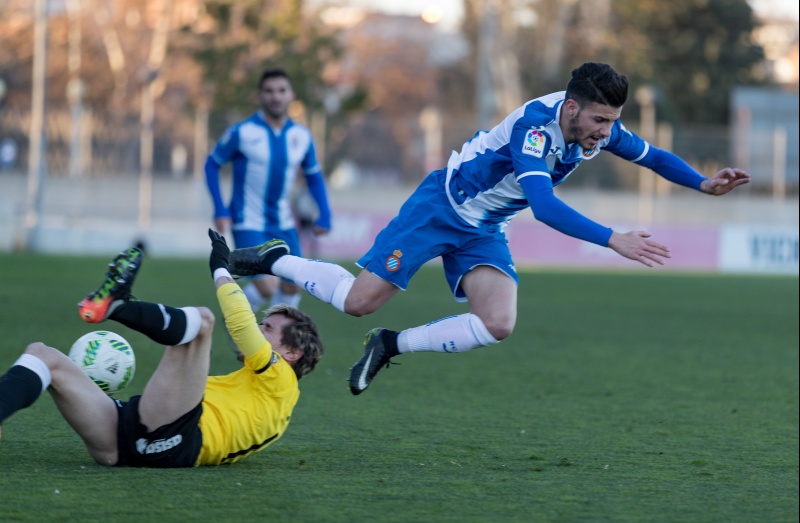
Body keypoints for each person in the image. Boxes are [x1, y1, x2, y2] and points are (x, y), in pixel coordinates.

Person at [227, 62, 751, 396]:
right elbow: (544, 208)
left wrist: (703, 183)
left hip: (484, 225)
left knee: (499, 321)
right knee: (358, 301)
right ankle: (276, 257)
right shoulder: (534, 132)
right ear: (571, 109)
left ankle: (390, 345)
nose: (606, 133)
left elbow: (652, 155)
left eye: (612, 122)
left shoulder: (596, 125)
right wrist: (613, 238)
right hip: (441, 208)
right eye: (599, 121)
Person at [0, 230, 324, 467]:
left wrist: (221, 270)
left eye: (268, 328)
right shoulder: (259, 391)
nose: (259, 330)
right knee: (43, 355)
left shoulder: (282, 383)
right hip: (123, 442)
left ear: (292, 353)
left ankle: (118, 306)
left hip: (177, 436)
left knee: (203, 323)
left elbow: (240, 325)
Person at [204, 67, 332, 314]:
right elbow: (212, 165)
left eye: (281, 90)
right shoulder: (242, 132)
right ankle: (238, 329)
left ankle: (273, 343)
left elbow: (314, 176)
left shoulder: (301, 136)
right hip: (247, 221)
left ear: (291, 95)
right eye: (269, 91)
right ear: (259, 96)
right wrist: (219, 207)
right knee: (266, 285)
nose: (276, 96)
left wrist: (324, 214)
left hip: (283, 223)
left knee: (294, 285)